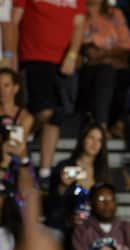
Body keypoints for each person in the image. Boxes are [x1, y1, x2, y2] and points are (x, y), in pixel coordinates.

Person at [8, 0, 86, 185]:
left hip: (62, 62)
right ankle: (16, 146)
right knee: (45, 111)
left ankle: (44, 171)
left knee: (55, 117)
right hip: (34, 58)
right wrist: (10, 54)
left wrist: (73, 54)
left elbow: (79, 25)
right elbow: (13, 21)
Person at [79, 0, 130, 130]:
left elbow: (128, 47)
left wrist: (105, 53)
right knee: (105, 73)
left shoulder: (115, 14)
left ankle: (120, 124)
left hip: (117, 67)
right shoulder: (77, 13)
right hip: (87, 69)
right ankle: (101, 127)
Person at [46, 124, 110, 231]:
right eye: (91, 138)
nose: (95, 144)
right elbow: (52, 201)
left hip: (92, 229)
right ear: (83, 139)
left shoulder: (102, 172)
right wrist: (63, 186)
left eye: (99, 140)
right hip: (65, 226)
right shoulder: (65, 166)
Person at [0, 68, 34, 145]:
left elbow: (16, 145)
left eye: (6, 85)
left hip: (12, 153)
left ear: (15, 88)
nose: (1, 90)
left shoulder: (25, 117)